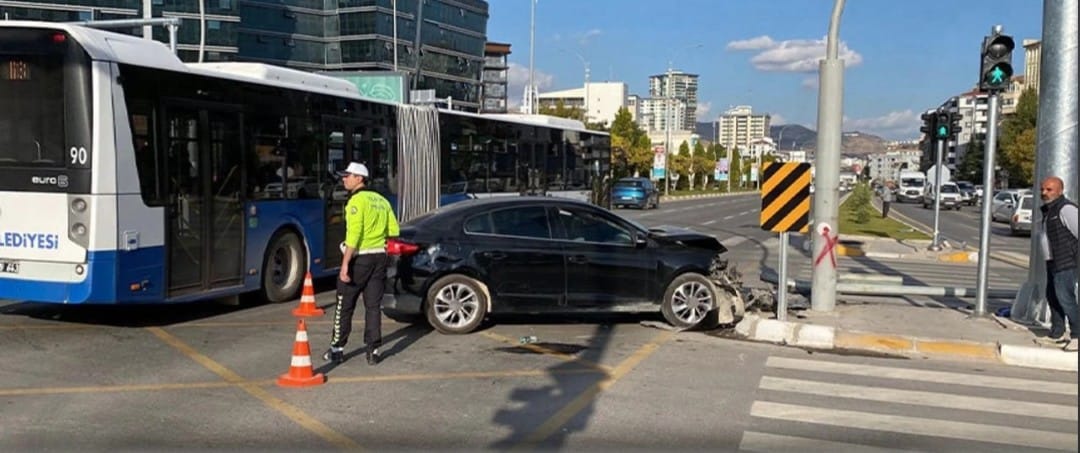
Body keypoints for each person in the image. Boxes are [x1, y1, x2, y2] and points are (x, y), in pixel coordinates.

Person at [324, 162, 400, 365]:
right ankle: (373, 350)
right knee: (373, 306)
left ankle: (337, 348)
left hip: (361, 259)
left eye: (348, 175)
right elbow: (393, 230)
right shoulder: (382, 201)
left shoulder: (356, 202)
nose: (344, 179)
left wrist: (345, 264)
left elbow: (354, 235)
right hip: (379, 258)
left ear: (360, 179)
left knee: (344, 303)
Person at [1038, 176, 1078, 352]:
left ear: (1060, 191)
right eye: (1043, 189)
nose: (1044, 193)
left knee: (1066, 299)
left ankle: (1077, 335)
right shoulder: (1049, 210)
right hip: (1053, 262)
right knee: (1053, 297)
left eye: (1049, 190)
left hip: (1066, 262)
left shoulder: (1066, 209)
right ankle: (1057, 333)